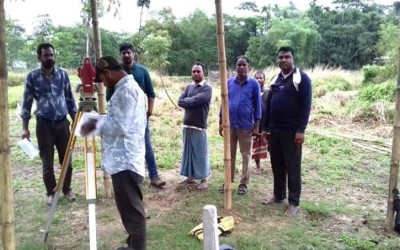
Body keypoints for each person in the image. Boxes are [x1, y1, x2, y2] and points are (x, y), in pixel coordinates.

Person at [81, 56, 147, 250]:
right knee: (129, 210)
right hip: (125, 159)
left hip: (124, 161)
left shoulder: (125, 92)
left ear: (108, 72)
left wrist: (90, 125)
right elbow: (117, 119)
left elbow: (118, 126)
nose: (103, 85)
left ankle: (137, 248)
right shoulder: (126, 89)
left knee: (132, 213)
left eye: (102, 80)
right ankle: (132, 245)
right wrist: (100, 119)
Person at [20, 43, 77, 206]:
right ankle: (51, 192)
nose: (49, 58)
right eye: (46, 55)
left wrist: (75, 121)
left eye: (51, 55)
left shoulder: (63, 75)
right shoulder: (32, 77)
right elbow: (27, 103)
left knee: (66, 159)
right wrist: (25, 128)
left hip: (62, 124)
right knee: (47, 162)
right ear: (39, 57)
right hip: (44, 125)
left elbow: (70, 99)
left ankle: (66, 189)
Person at [106, 42, 166, 188]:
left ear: (133, 54)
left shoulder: (142, 71)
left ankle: (154, 176)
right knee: (123, 147)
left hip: (140, 119)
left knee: (146, 145)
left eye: (129, 52)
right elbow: (109, 97)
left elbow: (151, 94)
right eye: (123, 53)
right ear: (120, 55)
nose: (126, 55)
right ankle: (126, 177)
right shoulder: (115, 73)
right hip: (121, 120)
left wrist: (149, 112)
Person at [263, 46, 312, 216]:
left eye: (287, 57)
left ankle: (294, 203)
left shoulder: (301, 78)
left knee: (292, 166)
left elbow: (306, 106)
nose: (283, 60)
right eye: (281, 57)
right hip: (275, 130)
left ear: (293, 59)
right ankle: (278, 196)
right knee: (277, 165)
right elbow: (269, 103)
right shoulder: (275, 79)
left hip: (292, 131)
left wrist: (301, 130)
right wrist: (265, 127)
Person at [219, 56, 262, 195]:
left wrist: (256, 125)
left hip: (246, 126)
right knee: (229, 154)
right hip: (229, 125)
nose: (241, 67)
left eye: (244, 65)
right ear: (235, 67)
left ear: (248, 67)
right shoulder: (229, 82)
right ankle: (228, 180)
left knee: (246, 155)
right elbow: (223, 102)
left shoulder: (254, 84)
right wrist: (221, 122)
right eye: (239, 65)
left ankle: (243, 183)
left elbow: (258, 106)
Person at [178, 62, 212, 190]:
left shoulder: (207, 88)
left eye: (198, 71)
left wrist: (187, 101)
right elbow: (179, 101)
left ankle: (204, 179)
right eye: (194, 71)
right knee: (188, 153)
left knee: (201, 153)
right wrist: (189, 101)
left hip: (199, 125)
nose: (196, 73)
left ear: (203, 73)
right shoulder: (188, 87)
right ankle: (190, 177)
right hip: (187, 125)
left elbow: (199, 100)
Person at [252, 71, 269, 175]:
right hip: (257, 124)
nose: (259, 80)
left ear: (264, 80)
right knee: (256, 147)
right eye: (257, 78)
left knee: (271, 146)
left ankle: (274, 165)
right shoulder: (253, 93)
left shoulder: (268, 93)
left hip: (268, 124)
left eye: (261, 78)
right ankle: (258, 167)